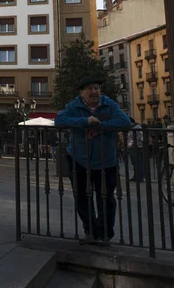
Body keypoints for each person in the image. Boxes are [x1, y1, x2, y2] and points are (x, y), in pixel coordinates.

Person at [55, 77, 131, 244]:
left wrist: (99, 127)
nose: (94, 91)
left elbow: (125, 121)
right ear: (82, 92)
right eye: (89, 88)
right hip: (78, 160)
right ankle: (90, 230)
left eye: (96, 88)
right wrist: (85, 122)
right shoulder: (74, 106)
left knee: (106, 199)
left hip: (106, 161)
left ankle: (105, 234)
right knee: (82, 197)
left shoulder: (109, 104)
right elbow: (59, 120)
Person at [127, 118, 144, 183]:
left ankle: (139, 178)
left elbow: (137, 138)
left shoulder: (137, 128)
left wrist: (130, 144)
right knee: (135, 163)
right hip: (132, 147)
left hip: (136, 147)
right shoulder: (132, 128)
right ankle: (136, 176)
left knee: (138, 163)